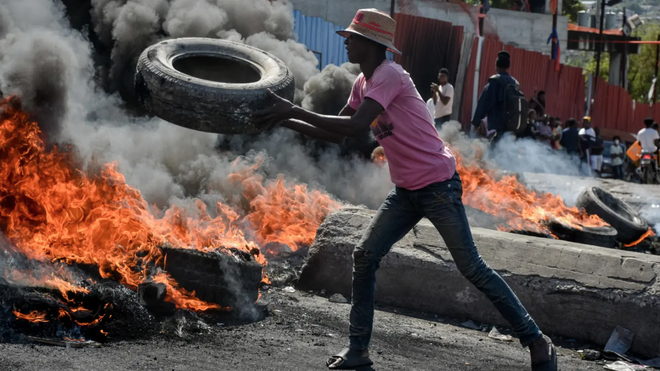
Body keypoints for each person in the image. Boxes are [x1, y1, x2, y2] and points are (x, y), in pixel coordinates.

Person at [253, 9, 557, 371]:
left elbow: (354, 126)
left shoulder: (390, 75)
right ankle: (358, 351)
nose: (347, 41)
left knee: (471, 267)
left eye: (353, 37)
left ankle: (537, 341)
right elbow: (338, 134)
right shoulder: (363, 83)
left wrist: (292, 110)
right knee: (365, 255)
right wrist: (288, 120)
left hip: (439, 187)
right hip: (407, 192)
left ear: (372, 43)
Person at [471, 50, 522, 144]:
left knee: (493, 154)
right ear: (508, 66)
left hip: (499, 127)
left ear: (496, 65)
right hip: (512, 127)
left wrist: (476, 122)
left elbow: (483, 102)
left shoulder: (495, 81)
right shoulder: (514, 83)